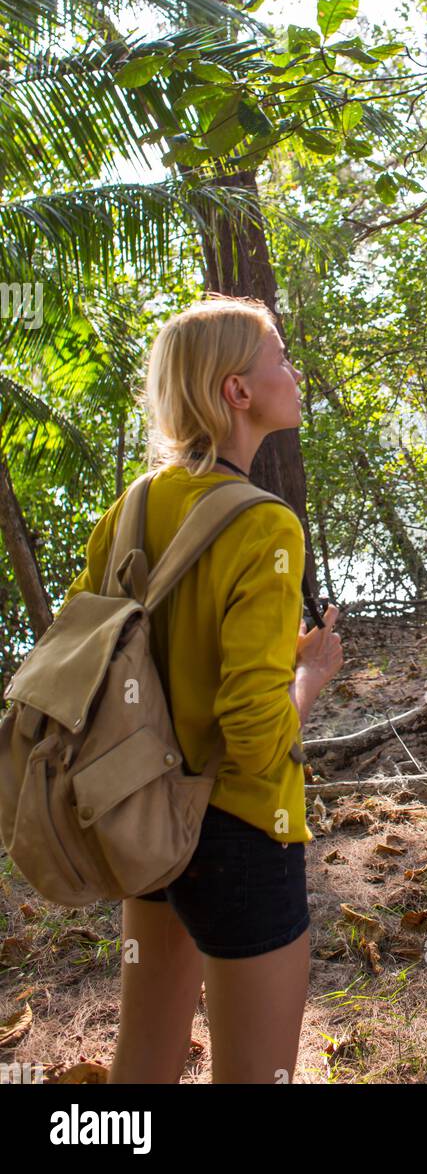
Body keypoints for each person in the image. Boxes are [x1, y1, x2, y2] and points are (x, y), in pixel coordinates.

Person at [59, 294, 343, 1083]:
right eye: (279, 356)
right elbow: (254, 739)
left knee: (141, 1066)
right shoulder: (264, 525)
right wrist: (309, 676)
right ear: (236, 391)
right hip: (240, 832)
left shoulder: (131, 506)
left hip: (144, 816)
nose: (293, 370)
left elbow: (109, 652)